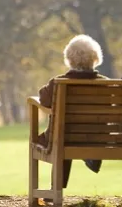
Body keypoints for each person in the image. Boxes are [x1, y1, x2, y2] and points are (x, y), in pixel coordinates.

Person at [37, 34, 107, 202]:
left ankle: (55, 190)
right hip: (94, 139)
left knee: (61, 134)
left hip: (62, 138)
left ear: (69, 58)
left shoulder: (58, 83)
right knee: (67, 133)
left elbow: (43, 99)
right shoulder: (106, 84)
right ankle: (90, 157)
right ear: (96, 58)